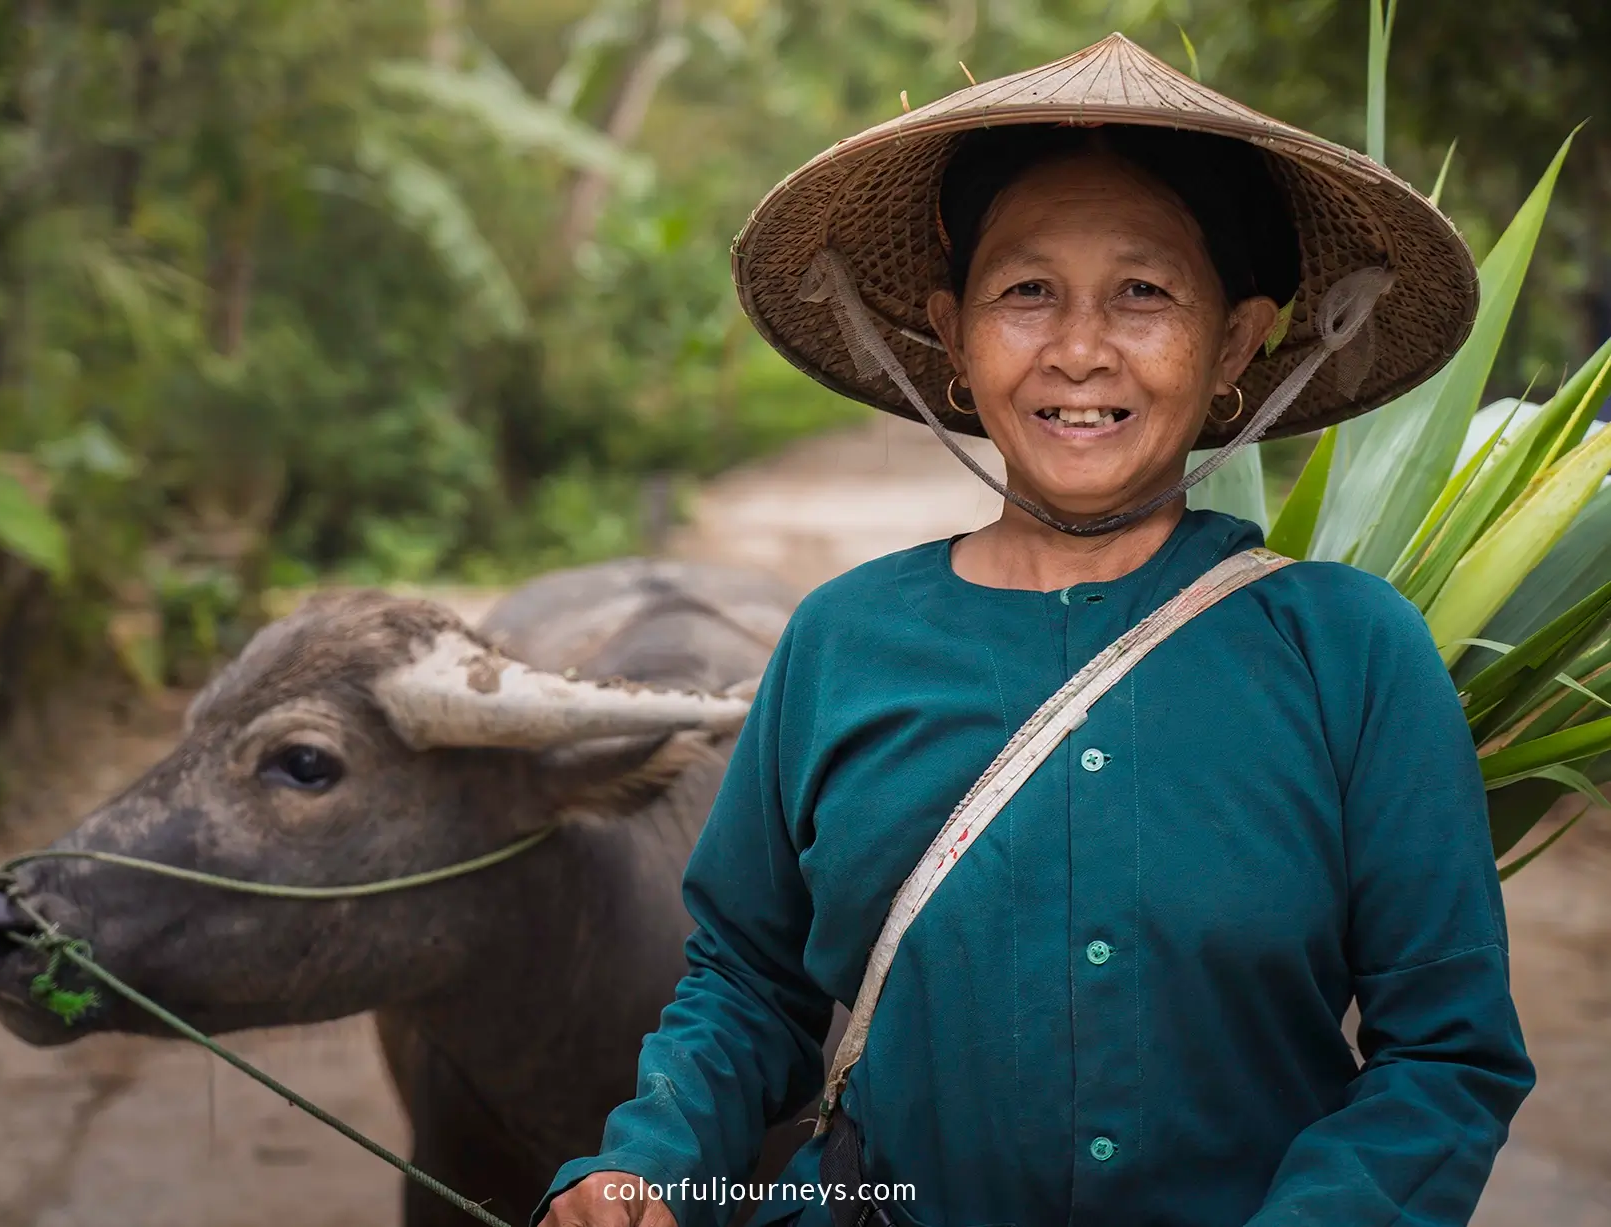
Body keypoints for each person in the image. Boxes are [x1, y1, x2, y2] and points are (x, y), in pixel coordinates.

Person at [536, 32, 1534, 1227]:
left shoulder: (1347, 652)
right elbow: (748, 985)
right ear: (952, 335)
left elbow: (1445, 1056)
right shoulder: (841, 642)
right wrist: (647, 1168)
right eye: (1024, 293)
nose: (1075, 348)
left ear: (1234, 341)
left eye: (1143, 292)